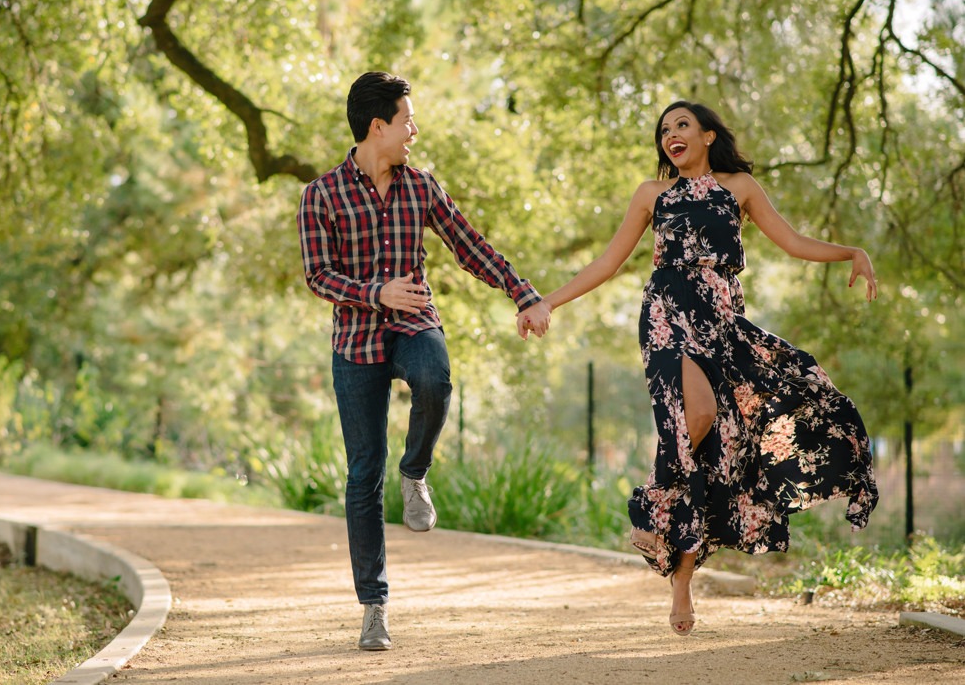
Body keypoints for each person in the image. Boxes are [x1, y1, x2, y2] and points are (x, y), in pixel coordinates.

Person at [523, 100, 879, 635]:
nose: (671, 135)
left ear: (709, 135)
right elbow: (606, 262)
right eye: (664, 130)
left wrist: (850, 251)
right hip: (668, 313)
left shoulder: (739, 189)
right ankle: (652, 506)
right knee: (700, 415)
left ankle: (681, 578)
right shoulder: (652, 195)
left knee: (715, 452)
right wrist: (546, 300)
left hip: (723, 323)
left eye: (682, 125)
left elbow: (792, 241)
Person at [297, 71, 551, 651]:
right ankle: (374, 606)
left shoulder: (421, 187)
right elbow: (317, 275)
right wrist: (375, 291)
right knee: (363, 474)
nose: (415, 129)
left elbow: (470, 244)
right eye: (406, 120)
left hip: (414, 325)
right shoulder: (321, 195)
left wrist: (523, 292)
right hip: (355, 341)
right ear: (377, 126)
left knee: (436, 380)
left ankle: (416, 471)